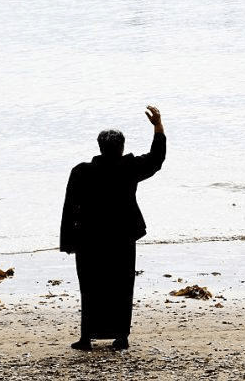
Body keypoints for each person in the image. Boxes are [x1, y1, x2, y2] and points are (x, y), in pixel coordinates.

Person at [60, 106, 166, 352]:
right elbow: (157, 158)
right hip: (122, 237)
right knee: (121, 286)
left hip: (89, 238)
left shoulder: (81, 172)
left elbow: (70, 208)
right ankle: (121, 337)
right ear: (121, 147)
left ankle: (86, 337)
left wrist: (68, 242)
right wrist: (158, 125)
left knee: (90, 286)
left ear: (99, 147)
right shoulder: (129, 168)